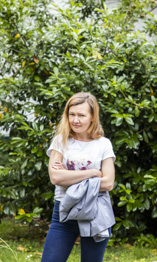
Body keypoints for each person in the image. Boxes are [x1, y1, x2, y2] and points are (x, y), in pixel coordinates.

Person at [41, 92, 116, 262]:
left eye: (81, 115)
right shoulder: (61, 141)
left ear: (92, 117)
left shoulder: (103, 144)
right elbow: (55, 178)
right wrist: (93, 173)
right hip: (63, 213)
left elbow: (109, 182)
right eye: (72, 114)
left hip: (96, 212)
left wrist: (68, 175)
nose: (75, 120)